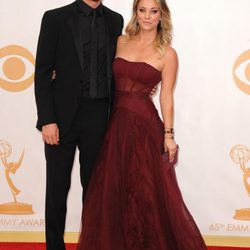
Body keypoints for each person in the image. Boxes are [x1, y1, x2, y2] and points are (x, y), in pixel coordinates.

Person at [77, 0, 207, 249]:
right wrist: (61, 73)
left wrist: (169, 135)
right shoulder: (120, 41)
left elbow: (166, 95)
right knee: (113, 190)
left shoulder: (167, 53)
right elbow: (95, 68)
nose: (147, 16)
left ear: (162, 15)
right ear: (136, 13)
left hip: (144, 126)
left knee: (144, 190)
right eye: (142, 10)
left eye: (154, 11)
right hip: (114, 124)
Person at [34, 0, 123, 249]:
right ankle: (54, 246)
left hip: (99, 115)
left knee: (94, 189)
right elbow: (42, 72)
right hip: (61, 118)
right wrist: (47, 120)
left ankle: (92, 244)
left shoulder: (115, 20)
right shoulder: (55, 18)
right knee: (57, 186)